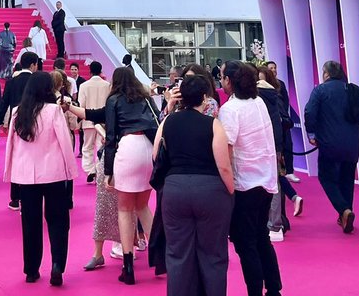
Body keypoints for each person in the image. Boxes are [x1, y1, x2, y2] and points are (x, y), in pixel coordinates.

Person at [156, 75, 235, 296]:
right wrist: (231, 191)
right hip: (210, 191)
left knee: (178, 254)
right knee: (213, 254)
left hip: (174, 190)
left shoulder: (168, 121)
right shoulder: (213, 124)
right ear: (204, 97)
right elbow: (224, 166)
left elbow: (156, 155)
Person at [6, 70, 75, 286]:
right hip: (53, 173)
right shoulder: (53, 111)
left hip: (27, 176)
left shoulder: (18, 112)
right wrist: (71, 171)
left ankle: (31, 269)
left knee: (30, 223)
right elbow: (65, 141)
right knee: (58, 220)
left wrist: (10, 171)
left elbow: (11, 145)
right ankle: (57, 265)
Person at [217, 61, 282, 296]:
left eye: (222, 76)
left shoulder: (230, 110)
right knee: (261, 237)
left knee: (246, 244)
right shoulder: (258, 102)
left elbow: (228, 148)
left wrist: (226, 181)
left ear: (230, 82)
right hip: (265, 179)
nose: (220, 81)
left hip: (245, 182)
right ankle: (273, 288)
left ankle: (255, 291)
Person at [103, 66, 159, 285]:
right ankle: (161, 253)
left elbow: (110, 136)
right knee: (143, 206)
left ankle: (128, 265)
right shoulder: (145, 98)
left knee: (125, 209)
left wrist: (108, 171)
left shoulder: (114, 99)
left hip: (127, 147)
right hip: (148, 148)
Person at [304, 59, 359, 233]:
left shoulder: (320, 90)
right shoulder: (351, 89)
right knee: (347, 179)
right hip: (353, 143)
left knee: (326, 178)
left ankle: (344, 210)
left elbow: (309, 112)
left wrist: (311, 134)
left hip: (329, 142)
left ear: (326, 74)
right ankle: (345, 216)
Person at [257, 66, 300, 240]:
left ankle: (275, 224)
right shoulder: (274, 95)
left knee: (273, 182)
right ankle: (279, 219)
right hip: (275, 144)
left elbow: (281, 120)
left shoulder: (263, 97)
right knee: (275, 181)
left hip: (269, 146)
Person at [0, 52, 41, 211]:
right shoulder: (37, 81)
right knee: (34, 159)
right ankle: (32, 195)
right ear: (34, 64)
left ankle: (15, 198)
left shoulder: (11, 82)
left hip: (16, 125)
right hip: (36, 124)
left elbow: (2, 106)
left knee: (16, 159)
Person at [77, 60, 111, 182]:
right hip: (103, 120)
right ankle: (98, 168)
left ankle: (90, 169)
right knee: (100, 146)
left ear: (90, 71)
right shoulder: (107, 85)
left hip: (88, 119)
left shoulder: (84, 86)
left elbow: (81, 105)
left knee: (87, 146)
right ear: (100, 70)